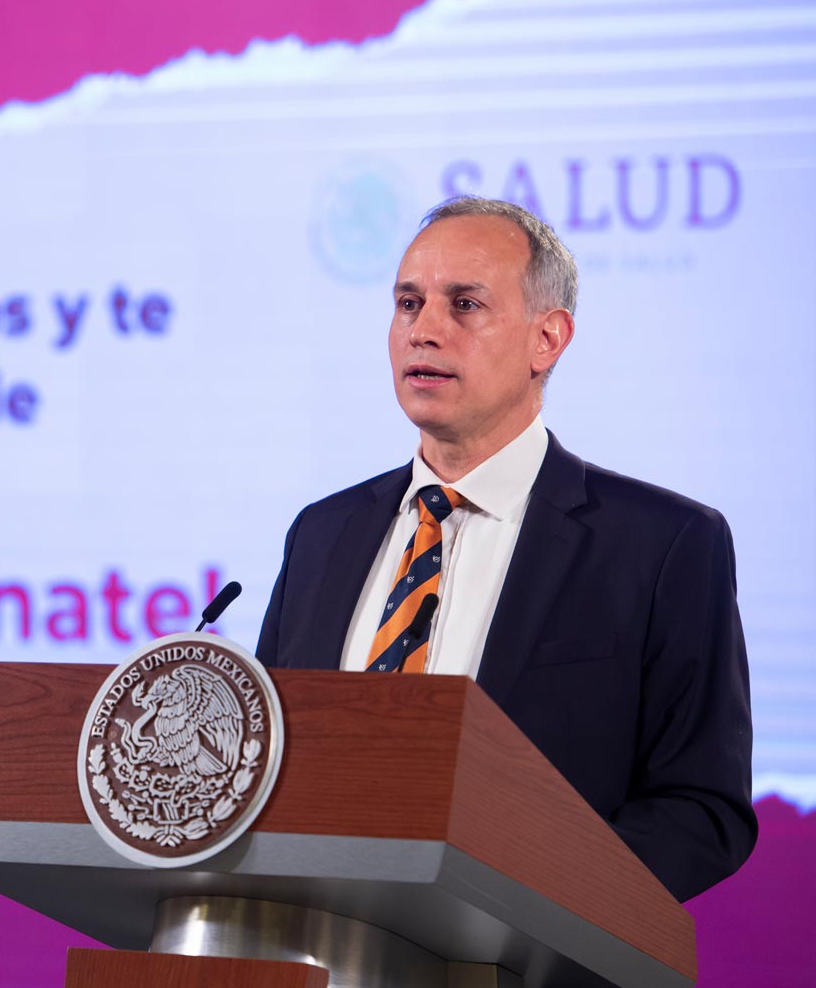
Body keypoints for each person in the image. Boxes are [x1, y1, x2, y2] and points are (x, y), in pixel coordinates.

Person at [255, 196, 756, 902]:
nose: (424, 331)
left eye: (464, 304)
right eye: (407, 303)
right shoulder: (322, 533)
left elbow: (702, 810)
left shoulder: (664, 546)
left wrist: (524, 901)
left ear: (546, 340)